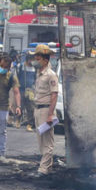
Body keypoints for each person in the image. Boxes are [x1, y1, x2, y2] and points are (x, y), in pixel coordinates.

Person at [31, 44, 58, 177]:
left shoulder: (51, 75)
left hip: (46, 110)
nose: (36, 59)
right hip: (38, 110)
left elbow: (54, 95)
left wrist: (50, 114)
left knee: (47, 141)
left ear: (45, 60)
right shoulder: (40, 73)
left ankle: (43, 169)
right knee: (41, 140)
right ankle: (48, 166)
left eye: (38, 57)